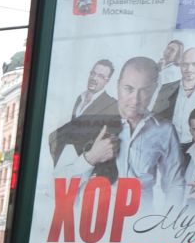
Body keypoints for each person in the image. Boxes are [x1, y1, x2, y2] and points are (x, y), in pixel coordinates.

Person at [61, 57, 180, 207]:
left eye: (144, 91)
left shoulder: (165, 130)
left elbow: (175, 185)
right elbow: (56, 182)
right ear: (117, 86)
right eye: (128, 89)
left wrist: (168, 225)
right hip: (91, 220)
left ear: (155, 90)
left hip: (137, 223)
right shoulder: (89, 121)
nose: (135, 99)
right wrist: (91, 158)